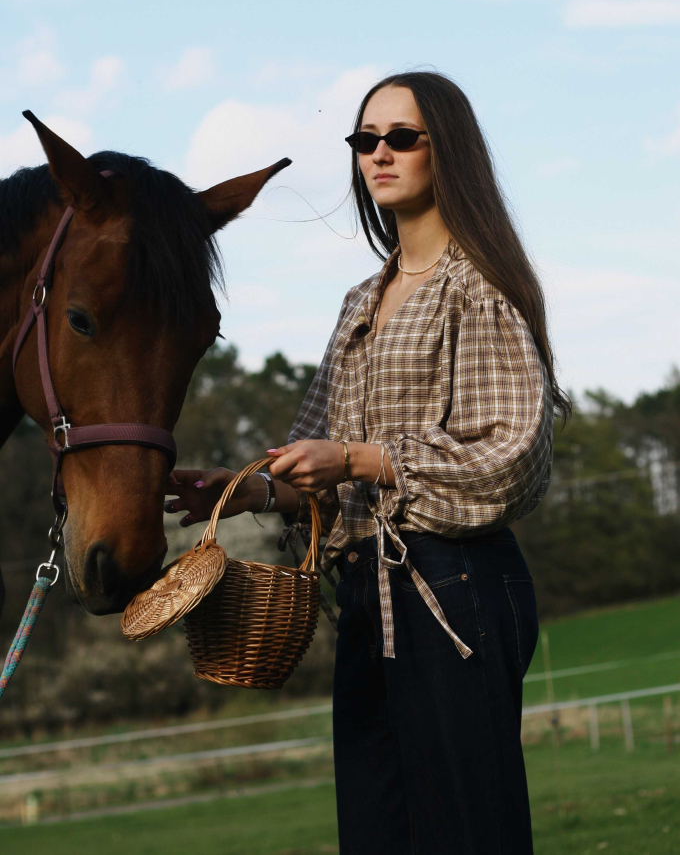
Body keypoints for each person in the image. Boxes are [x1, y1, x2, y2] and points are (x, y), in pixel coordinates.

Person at [165, 70, 570, 854]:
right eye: (364, 139)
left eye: (401, 138)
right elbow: (318, 462)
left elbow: (511, 457)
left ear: (445, 149)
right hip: (366, 594)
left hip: (456, 589)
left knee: (466, 835)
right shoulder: (359, 301)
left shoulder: (477, 288)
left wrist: (357, 457)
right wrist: (252, 488)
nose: (378, 153)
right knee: (376, 834)